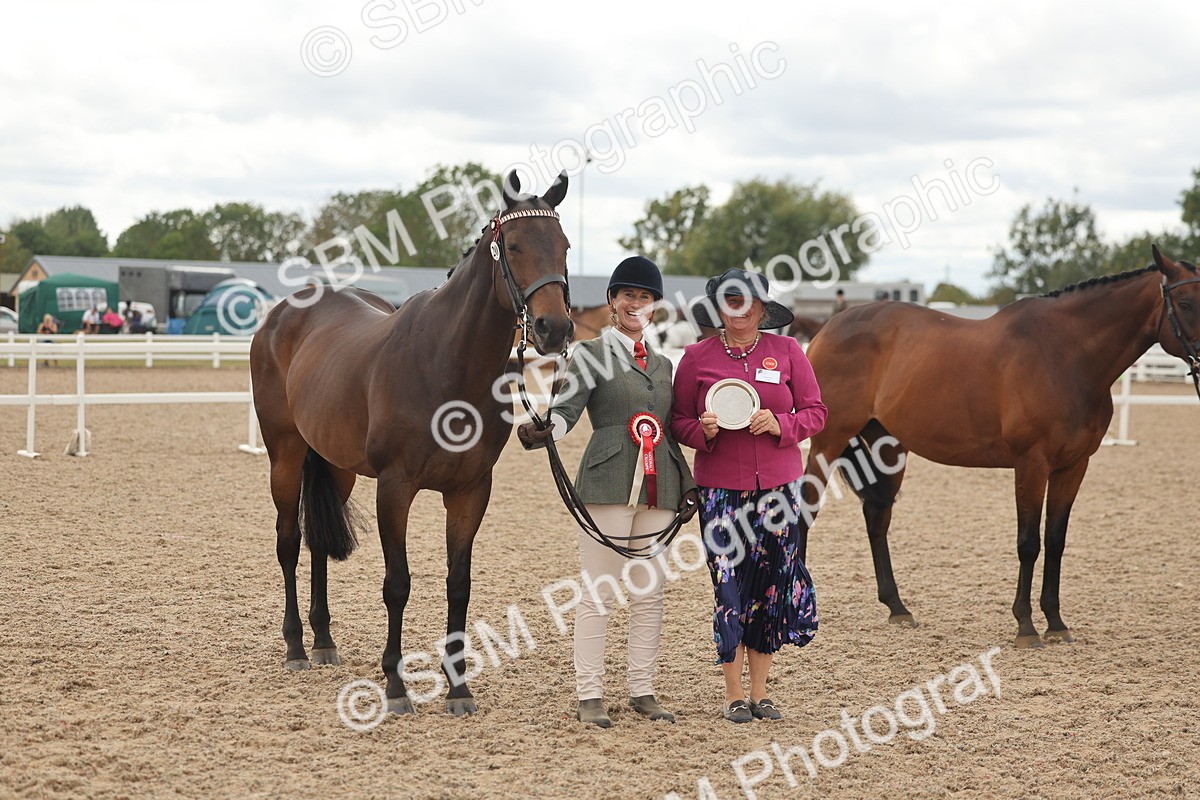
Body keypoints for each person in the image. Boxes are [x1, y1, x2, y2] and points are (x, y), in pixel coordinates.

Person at [518, 255, 699, 729]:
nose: (636, 304)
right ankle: (590, 694)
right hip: (607, 480)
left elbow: (669, 428)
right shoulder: (590, 353)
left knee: (650, 592)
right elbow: (568, 409)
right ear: (613, 302)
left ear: (655, 307)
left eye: (645, 297)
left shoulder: (663, 365)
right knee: (599, 591)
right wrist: (545, 431)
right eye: (628, 296)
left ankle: (643, 689)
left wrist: (688, 481)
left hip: (661, 486)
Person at [670, 268, 827, 724]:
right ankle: (734, 694)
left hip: (779, 491)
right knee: (729, 587)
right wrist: (702, 431)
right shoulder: (696, 357)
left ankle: (762, 693)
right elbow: (677, 420)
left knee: (771, 585)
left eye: (748, 300)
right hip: (720, 492)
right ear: (720, 308)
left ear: (761, 308)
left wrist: (784, 426)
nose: (739, 309)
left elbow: (816, 412)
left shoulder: (789, 351)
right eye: (730, 300)